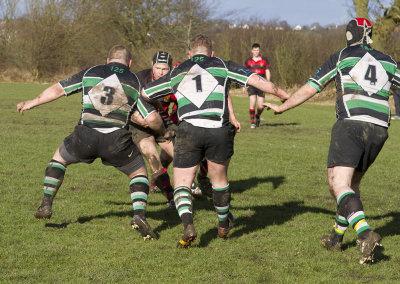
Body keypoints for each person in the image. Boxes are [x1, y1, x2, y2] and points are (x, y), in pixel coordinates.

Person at [265, 18, 400, 264]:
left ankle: (365, 233)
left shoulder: (341, 56)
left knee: (338, 183)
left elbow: (311, 87)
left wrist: (283, 107)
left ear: (349, 35)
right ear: (369, 35)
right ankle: (336, 238)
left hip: (351, 125)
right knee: (350, 185)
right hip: (380, 129)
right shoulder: (389, 61)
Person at [142, 34, 289, 248]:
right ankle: (222, 223)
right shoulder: (222, 65)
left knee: (182, 183)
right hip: (217, 130)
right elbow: (257, 81)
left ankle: (188, 224)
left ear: (189, 54)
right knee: (219, 180)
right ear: (211, 53)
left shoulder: (178, 71)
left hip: (188, 129)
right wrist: (282, 94)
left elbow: (146, 93)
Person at [16, 45, 169, 240]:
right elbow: (152, 118)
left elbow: (58, 90)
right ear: (130, 63)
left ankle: (46, 203)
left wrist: (32, 102)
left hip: (85, 136)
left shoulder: (91, 72)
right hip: (116, 142)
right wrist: (162, 131)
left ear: (107, 60)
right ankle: (138, 215)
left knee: (59, 159)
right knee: (138, 172)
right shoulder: (135, 81)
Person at [130, 51, 176, 207]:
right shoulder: (139, 78)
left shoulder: (174, 80)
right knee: (153, 158)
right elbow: (126, 101)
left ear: (170, 68)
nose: (161, 72)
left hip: (163, 121)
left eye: (165, 68)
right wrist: (134, 118)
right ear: (152, 66)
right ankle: (171, 198)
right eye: (158, 68)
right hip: (140, 124)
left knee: (181, 156)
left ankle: (191, 185)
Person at [243, 43, 271, 128]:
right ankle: (252, 123)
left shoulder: (265, 60)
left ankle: (257, 116)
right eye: (254, 50)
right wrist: (244, 85)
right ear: (252, 51)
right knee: (252, 103)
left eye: (257, 50)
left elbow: (267, 71)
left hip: (262, 84)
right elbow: (245, 74)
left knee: (261, 106)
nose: (256, 51)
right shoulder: (248, 61)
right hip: (251, 84)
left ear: (259, 50)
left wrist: (268, 83)